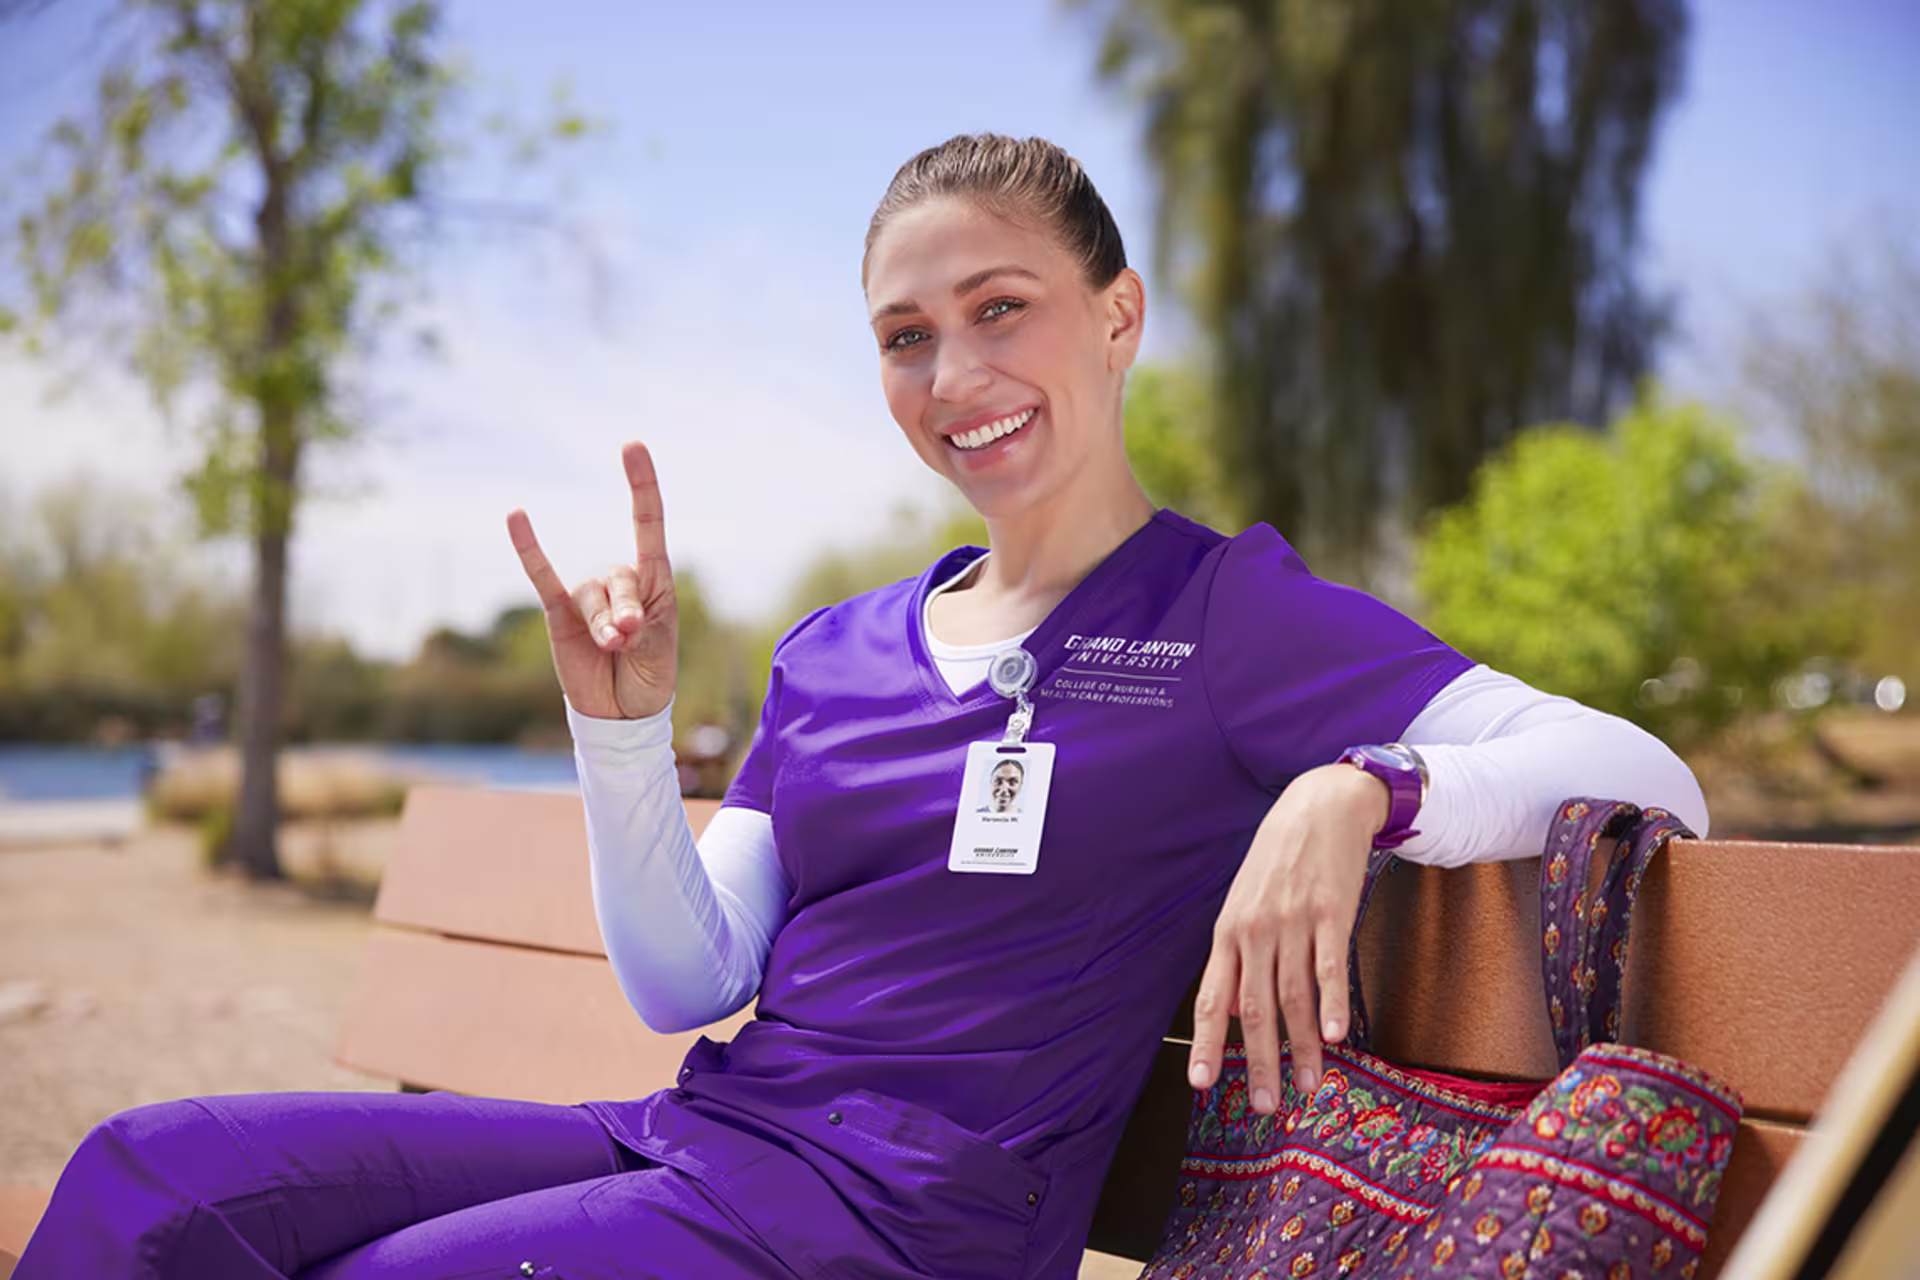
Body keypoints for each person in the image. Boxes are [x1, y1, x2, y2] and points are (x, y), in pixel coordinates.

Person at [17, 134, 1708, 1280]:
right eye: (906, 336)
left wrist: (1361, 792)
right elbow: (691, 979)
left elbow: (1641, 772)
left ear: (1117, 319)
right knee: (149, 1178)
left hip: (897, 1229)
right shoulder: (833, 651)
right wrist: (622, 732)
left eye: (999, 312)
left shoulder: (1230, 615)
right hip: (699, 1140)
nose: (952, 376)